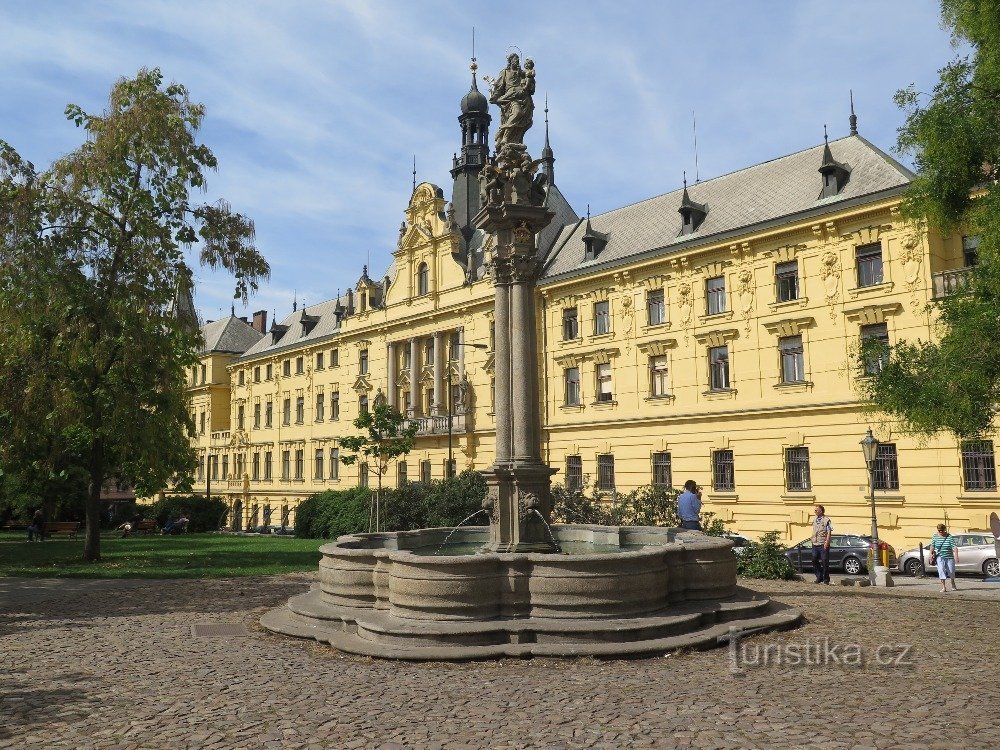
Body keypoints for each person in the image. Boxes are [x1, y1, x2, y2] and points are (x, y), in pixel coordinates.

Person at [930, 523, 958, 592]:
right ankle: (943, 587)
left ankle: (952, 582)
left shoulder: (949, 536)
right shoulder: (935, 536)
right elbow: (932, 545)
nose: (940, 532)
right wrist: (931, 553)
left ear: (944, 529)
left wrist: (956, 555)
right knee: (941, 570)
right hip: (939, 556)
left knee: (951, 571)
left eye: (942, 530)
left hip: (949, 556)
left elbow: (954, 546)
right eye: (939, 530)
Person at [811, 505, 833, 584]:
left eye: (816, 510)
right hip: (815, 543)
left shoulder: (826, 520)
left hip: (823, 543)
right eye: (815, 510)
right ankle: (819, 576)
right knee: (814, 559)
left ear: (821, 511)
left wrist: (827, 542)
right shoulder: (814, 519)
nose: (815, 512)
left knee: (824, 561)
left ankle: (826, 579)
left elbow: (829, 531)